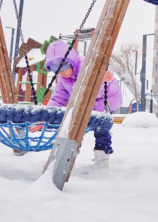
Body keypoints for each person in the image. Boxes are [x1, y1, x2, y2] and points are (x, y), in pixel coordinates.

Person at [44, 39, 122, 169]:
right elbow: (58, 98)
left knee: (101, 130)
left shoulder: (87, 65)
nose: (62, 73)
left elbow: (101, 88)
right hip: (82, 105)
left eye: (64, 67)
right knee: (73, 130)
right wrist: (47, 116)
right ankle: (67, 159)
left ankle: (102, 159)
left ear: (72, 62)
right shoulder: (63, 79)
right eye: (56, 70)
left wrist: (104, 79)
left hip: (103, 101)